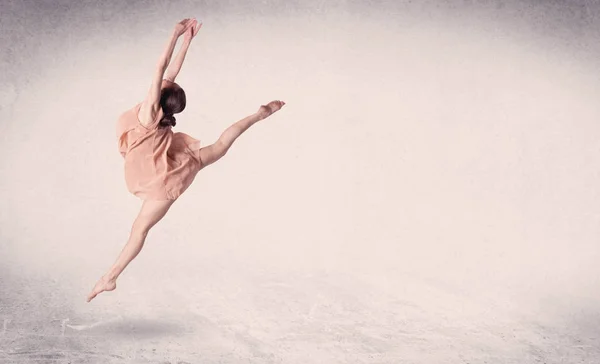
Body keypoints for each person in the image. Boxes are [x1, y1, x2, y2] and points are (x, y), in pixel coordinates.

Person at [87, 18, 285, 302]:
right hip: (172, 170)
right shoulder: (161, 117)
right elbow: (171, 72)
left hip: (151, 175)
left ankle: (109, 279)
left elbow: (161, 68)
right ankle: (259, 114)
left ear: (160, 97)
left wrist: (175, 34)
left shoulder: (147, 116)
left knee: (138, 229)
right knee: (217, 148)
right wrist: (188, 41)